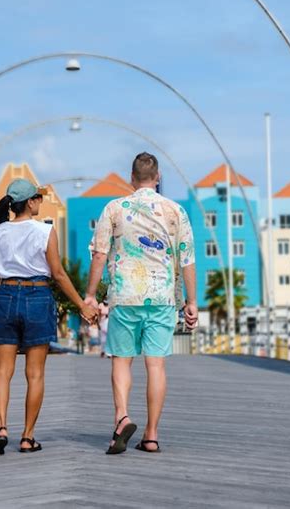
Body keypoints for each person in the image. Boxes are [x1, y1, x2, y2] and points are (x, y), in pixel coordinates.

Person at [85, 152, 198, 454]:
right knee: (156, 365)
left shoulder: (114, 208)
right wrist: (192, 301)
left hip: (124, 296)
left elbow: (98, 254)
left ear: (131, 179)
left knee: (122, 360)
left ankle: (122, 417)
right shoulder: (175, 211)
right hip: (161, 298)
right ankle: (151, 435)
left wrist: (91, 296)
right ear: (157, 177)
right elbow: (186, 259)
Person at [0, 178, 97, 455]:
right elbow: (57, 273)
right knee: (34, 374)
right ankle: (27, 437)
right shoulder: (45, 231)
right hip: (37, 296)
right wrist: (82, 305)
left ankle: (1, 428)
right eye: (39, 198)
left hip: (6, 296)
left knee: (2, 371)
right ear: (31, 201)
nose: (41, 202)